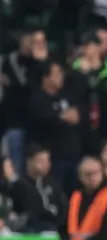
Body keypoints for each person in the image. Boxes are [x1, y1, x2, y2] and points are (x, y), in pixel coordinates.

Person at [27, 61, 82, 191]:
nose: (61, 77)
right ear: (46, 78)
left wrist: (64, 116)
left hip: (73, 155)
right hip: (53, 158)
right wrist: (62, 117)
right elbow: (49, 120)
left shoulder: (64, 96)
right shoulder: (37, 99)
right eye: (57, 74)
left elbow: (78, 115)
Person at [1, 30, 50, 173]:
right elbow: (26, 86)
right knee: (15, 166)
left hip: (38, 126)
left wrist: (39, 62)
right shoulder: (10, 60)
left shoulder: (44, 63)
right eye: (29, 41)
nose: (31, 46)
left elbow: (38, 88)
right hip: (14, 122)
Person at [60, 156, 107, 240]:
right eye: (87, 174)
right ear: (80, 177)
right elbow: (64, 227)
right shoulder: (76, 197)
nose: (92, 177)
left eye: (96, 172)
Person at [4, 145, 66, 233]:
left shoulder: (53, 183)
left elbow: (62, 207)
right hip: (30, 228)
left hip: (53, 227)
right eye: (40, 161)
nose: (45, 164)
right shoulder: (19, 185)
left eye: (47, 161)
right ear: (29, 162)